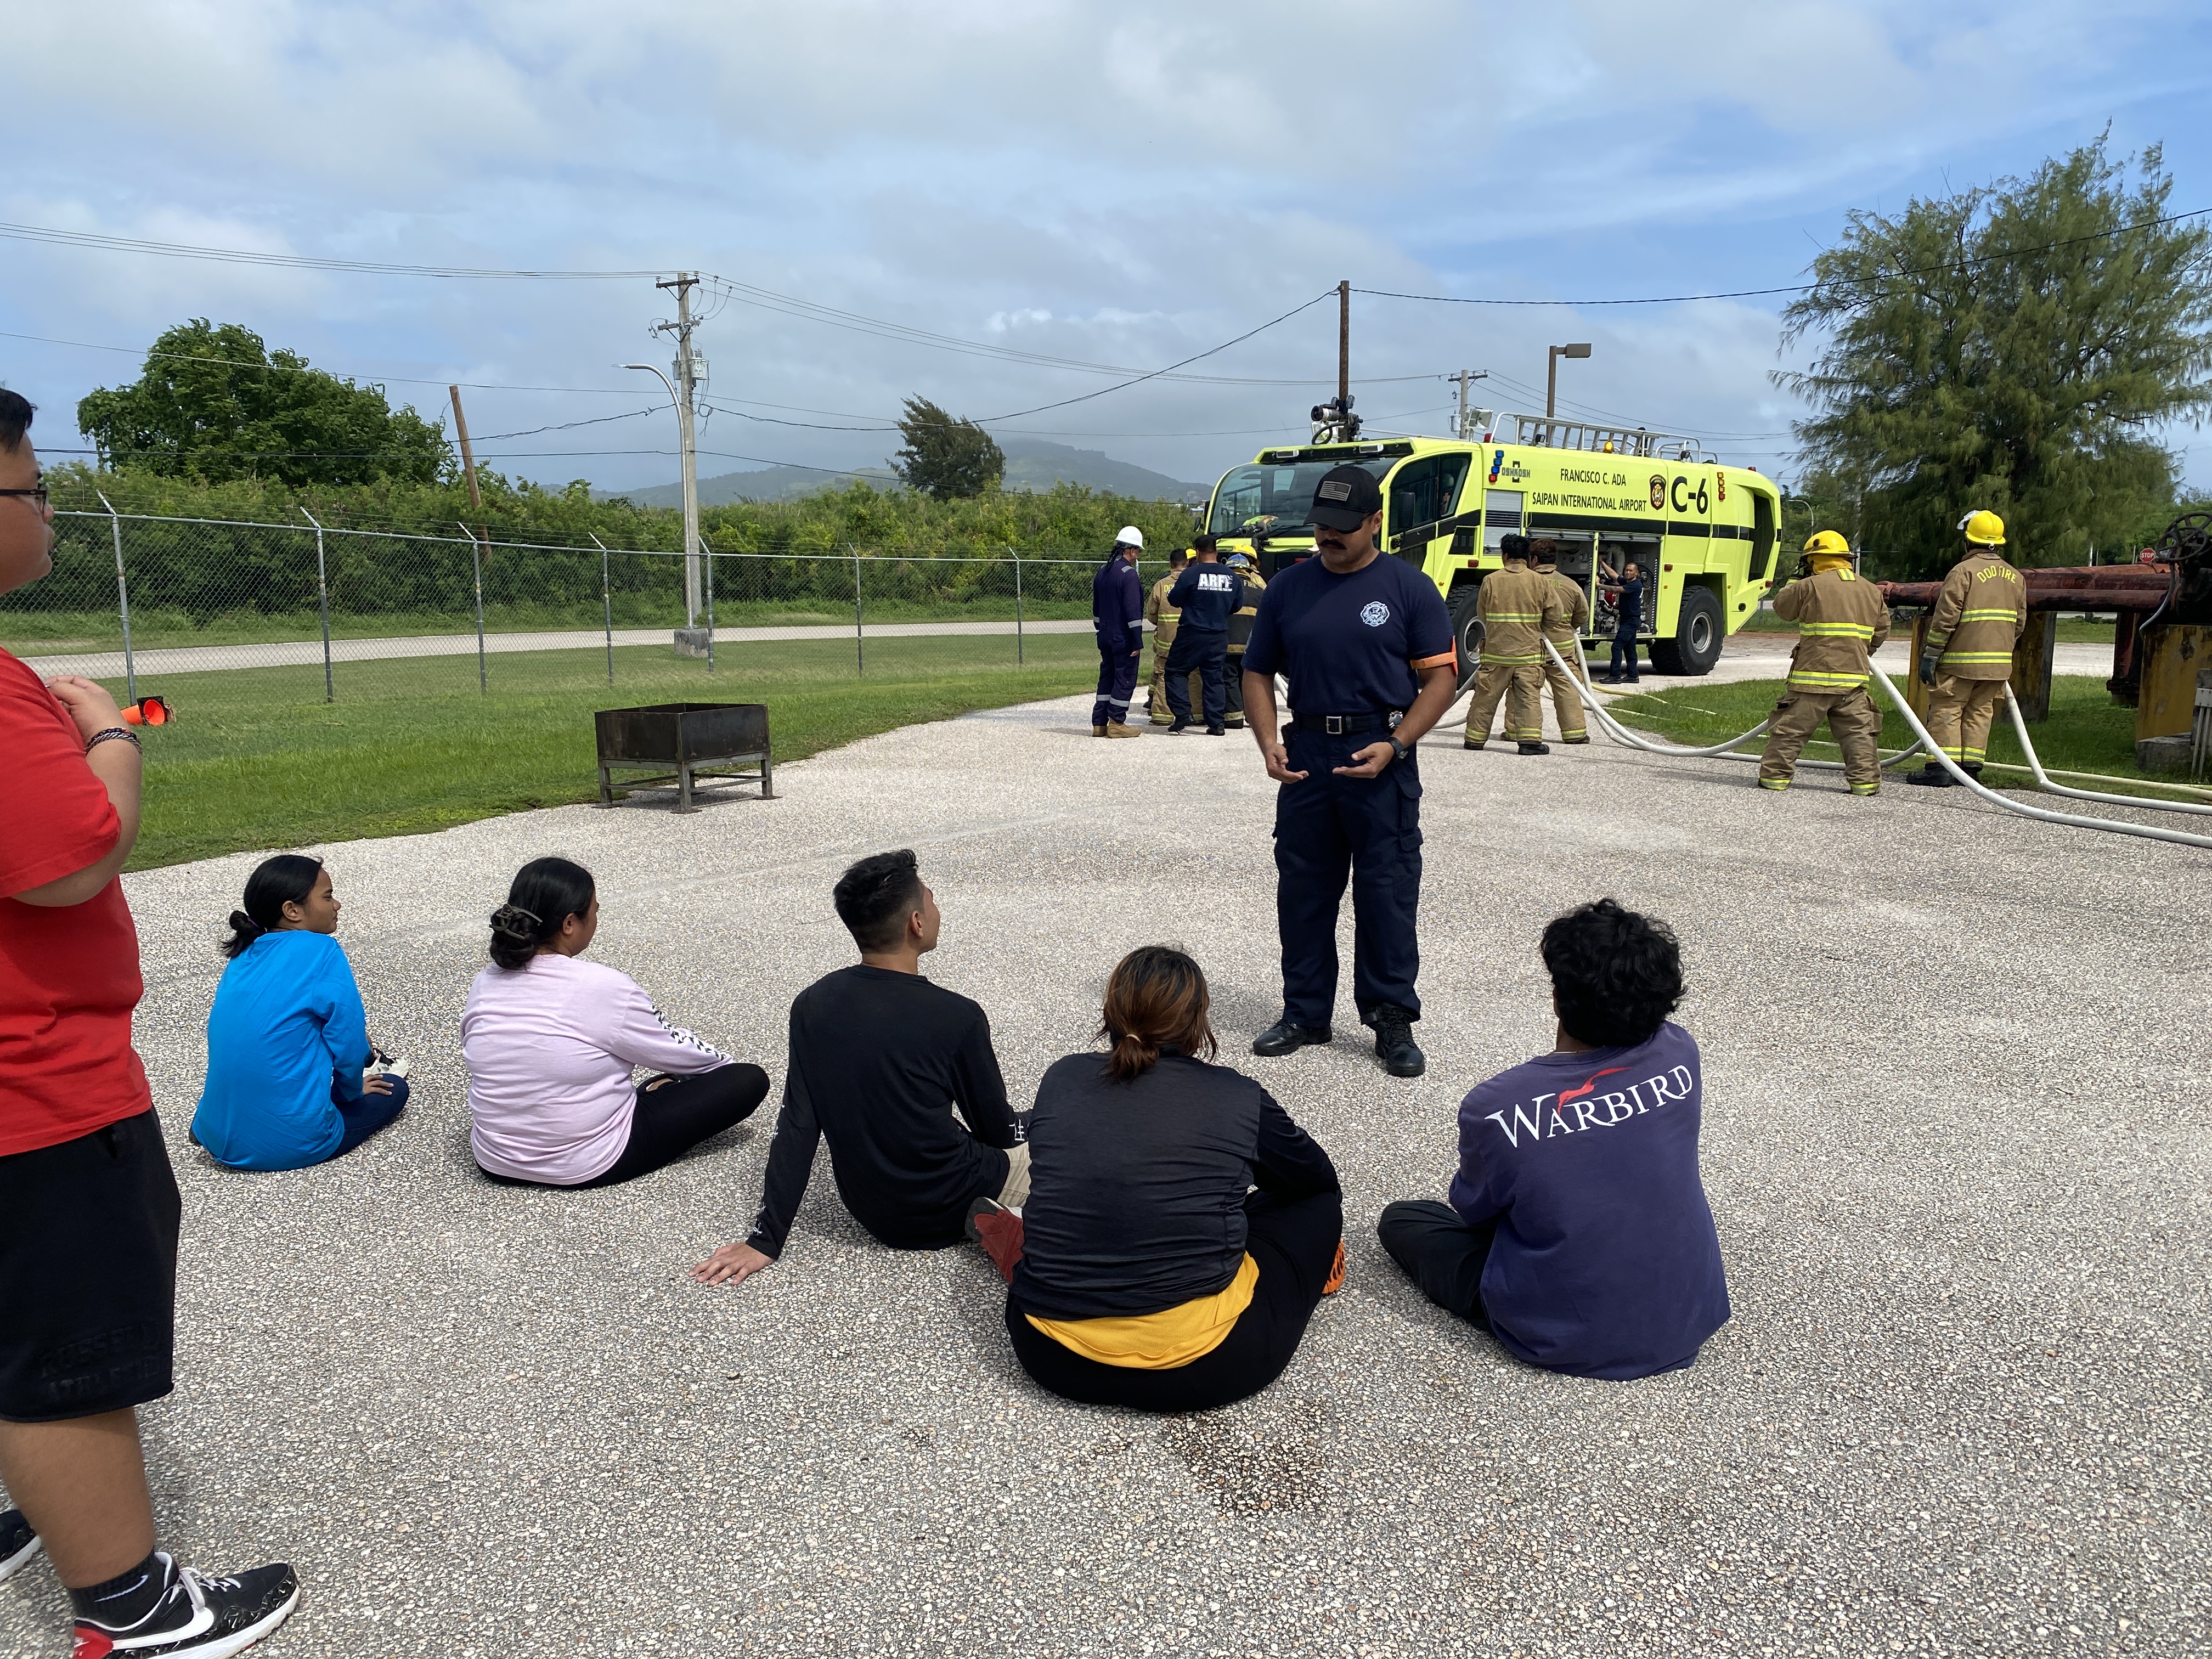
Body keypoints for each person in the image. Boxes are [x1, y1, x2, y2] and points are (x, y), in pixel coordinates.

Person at [0, 388, 300, 1658]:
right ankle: (134, 1608)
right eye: (32, 488)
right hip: (36, 1090)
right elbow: (74, 858)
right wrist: (112, 735)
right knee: (69, 1359)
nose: (47, 508)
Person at [1378, 899, 1730, 1380]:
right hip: (1691, 1313)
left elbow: (1475, 1210)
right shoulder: (1679, 1051)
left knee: (1405, 1219)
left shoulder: (1497, 1106)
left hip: (1567, 1335)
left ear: (1559, 998)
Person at [997, 947, 1344, 1413]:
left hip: (1048, 1351)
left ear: (1111, 1012)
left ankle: (1030, 1241)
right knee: (1318, 1205)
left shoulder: (1062, 1078)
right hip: (1202, 1366)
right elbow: (1314, 1178)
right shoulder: (1237, 1095)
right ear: (1198, 1022)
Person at [692, 850, 1025, 1286]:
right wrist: (1045, 1121)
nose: (936, 910)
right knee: (1074, 1144)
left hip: (873, 1211)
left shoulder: (812, 1004)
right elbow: (998, 1132)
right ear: (916, 923)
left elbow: (798, 1123)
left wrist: (766, 1238)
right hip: (950, 1200)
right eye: (932, 901)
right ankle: (1021, 1223)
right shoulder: (957, 1016)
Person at [1241, 463, 1458, 1078]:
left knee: (1386, 893)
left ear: (1375, 522)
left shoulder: (1409, 588)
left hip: (1380, 754)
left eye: (1343, 526)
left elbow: (1441, 678)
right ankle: (1305, 1013)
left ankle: (1391, 1018)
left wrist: (1398, 743)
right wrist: (1267, 742)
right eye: (1321, 525)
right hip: (1309, 755)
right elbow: (1255, 671)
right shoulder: (1288, 588)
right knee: (1304, 892)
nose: (1328, 536)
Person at [464, 857, 769, 1187]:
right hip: (586, 1162)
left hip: (496, 1160)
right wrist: (718, 1069)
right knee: (747, 1080)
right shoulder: (603, 986)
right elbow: (675, 1050)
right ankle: (658, 1090)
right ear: (569, 924)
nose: (596, 918)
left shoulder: (486, 981)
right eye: (595, 911)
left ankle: (656, 1090)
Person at [190, 856, 408, 1170]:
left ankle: (218, 1125)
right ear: (292, 911)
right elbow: (347, 1038)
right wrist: (350, 1091)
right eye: (328, 897)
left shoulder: (244, 955)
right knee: (394, 1089)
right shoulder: (322, 950)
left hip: (215, 1131)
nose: (337, 905)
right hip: (291, 1143)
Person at [1756, 531, 1889, 795]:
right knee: (1858, 734)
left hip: (1811, 679)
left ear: (1813, 561)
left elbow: (1783, 609)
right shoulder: (1870, 590)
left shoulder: (1809, 585)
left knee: (1790, 731)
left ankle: (1774, 779)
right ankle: (1865, 784)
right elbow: (1883, 628)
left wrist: (1795, 579)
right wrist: (1861, 653)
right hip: (1853, 680)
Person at [1904, 510, 2027, 787]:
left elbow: (1946, 618)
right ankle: (1970, 769)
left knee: (1947, 709)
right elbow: (2019, 623)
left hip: (1960, 662)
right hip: (1997, 665)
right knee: (1981, 711)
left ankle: (1941, 769)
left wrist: (1931, 654)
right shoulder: (2016, 577)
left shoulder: (1963, 572)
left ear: (1968, 541)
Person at [1462, 533, 1562, 756]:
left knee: (1485, 697)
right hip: (1528, 654)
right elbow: (1555, 614)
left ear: (1505, 555)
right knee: (1528, 699)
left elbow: (1482, 614)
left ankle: (1475, 739)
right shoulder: (1539, 581)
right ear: (1527, 556)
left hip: (1496, 654)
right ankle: (1530, 743)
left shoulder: (1491, 580)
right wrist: (1537, 628)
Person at [1163, 534, 1243, 735]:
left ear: (1198, 553)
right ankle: (1217, 724)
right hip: (1219, 634)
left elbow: (1174, 599)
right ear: (1216, 551)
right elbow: (1237, 605)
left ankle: (1183, 713)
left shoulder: (1190, 575)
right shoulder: (1232, 577)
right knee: (1214, 677)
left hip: (1192, 632)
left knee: (1176, 670)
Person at [1531, 538, 1592, 744]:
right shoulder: (1570, 584)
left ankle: (1517, 732)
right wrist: (1565, 628)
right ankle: (1575, 733)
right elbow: (1582, 615)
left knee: (1525, 689)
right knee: (1567, 689)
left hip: (1530, 648)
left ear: (1534, 559)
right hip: (1563, 650)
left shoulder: (1526, 583)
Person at [1090, 526, 1147, 738]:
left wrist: (1101, 628)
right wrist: (1137, 641)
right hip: (1122, 637)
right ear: (1131, 550)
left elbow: (1096, 609)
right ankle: (1117, 722)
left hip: (1104, 634)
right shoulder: (1129, 575)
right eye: (1138, 551)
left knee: (1107, 677)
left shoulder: (1103, 572)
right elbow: (1133, 612)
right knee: (1125, 678)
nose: (1137, 556)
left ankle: (1099, 724)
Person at [1142, 548, 1199, 725]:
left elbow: (1152, 615)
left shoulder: (1160, 585)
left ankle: (1161, 715)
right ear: (1187, 563)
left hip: (1166, 642)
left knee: (1164, 675)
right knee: (1194, 676)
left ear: (1170, 564)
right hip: (1190, 640)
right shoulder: (1195, 582)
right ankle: (1198, 714)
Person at [1221, 549, 1268, 731]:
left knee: (1229, 678)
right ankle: (1251, 714)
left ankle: (1234, 716)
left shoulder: (1225, 587)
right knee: (1247, 679)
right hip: (1251, 646)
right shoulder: (1260, 590)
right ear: (1248, 571)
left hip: (1228, 642)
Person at [1601, 560, 1645, 684]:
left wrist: (1599, 585)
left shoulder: (1636, 585)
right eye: (1627, 570)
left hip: (1631, 621)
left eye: (1631, 571)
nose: (1628, 572)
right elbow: (1613, 574)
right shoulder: (1627, 581)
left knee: (1617, 647)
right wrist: (1601, 562)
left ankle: (1615, 676)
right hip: (1628, 620)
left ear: (1637, 573)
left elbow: (1618, 589)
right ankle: (1633, 676)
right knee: (1630, 649)